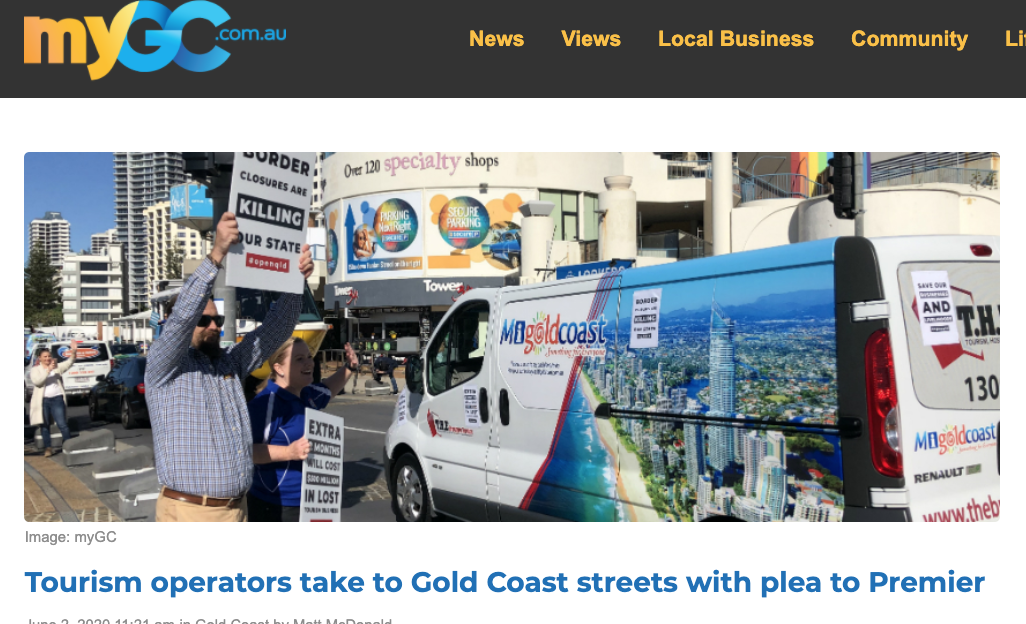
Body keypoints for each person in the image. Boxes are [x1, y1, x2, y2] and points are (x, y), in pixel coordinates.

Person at [144, 211, 315, 522]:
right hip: (190, 513)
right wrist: (218, 253)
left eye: (217, 319)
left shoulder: (227, 363)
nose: (212, 325)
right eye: (203, 320)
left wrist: (296, 283)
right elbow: (183, 316)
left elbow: (274, 330)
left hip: (237, 510)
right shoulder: (164, 365)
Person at [247, 338, 358, 521]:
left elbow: (329, 388)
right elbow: (246, 451)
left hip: (314, 503)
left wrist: (350, 367)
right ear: (279, 368)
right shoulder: (266, 403)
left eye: (309, 356)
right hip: (276, 506)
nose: (309, 363)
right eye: (299, 359)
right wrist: (289, 452)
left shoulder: (307, 394)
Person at [30, 344, 77, 458]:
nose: (47, 359)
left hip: (57, 398)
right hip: (43, 401)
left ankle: (68, 445)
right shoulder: (35, 370)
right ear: (40, 358)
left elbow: (69, 362)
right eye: (44, 357)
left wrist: (74, 351)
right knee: (44, 425)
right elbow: (38, 382)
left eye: (49, 356)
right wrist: (48, 371)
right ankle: (48, 447)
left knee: (62, 424)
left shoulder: (57, 367)